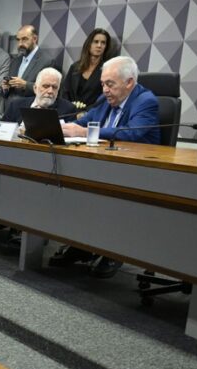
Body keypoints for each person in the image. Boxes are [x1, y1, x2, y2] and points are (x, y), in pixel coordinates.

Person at [56, 55, 158, 278]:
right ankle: (82, 244)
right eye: (103, 84)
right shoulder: (104, 100)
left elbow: (132, 133)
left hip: (137, 170)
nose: (105, 90)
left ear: (129, 82)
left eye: (110, 84)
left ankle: (114, 251)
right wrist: (62, 127)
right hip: (104, 165)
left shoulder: (146, 101)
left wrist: (86, 132)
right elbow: (82, 123)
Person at [61, 28, 117, 112]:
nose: (99, 45)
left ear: (106, 47)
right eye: (96, 42)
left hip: (93, 114)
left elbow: (105, 98)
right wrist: (70, 110)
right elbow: (65, 93)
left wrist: (86, 113)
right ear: (89, 44)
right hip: (70, 113)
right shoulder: (75, 67)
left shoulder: (107, 70)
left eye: (103, 43)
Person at [2, 25, 60, 101]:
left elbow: (49, 90)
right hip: (11, 106)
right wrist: (5, 88)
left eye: (24, 39)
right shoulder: (15, 61)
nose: (20, 44)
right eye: (18, 40)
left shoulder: (47, 61)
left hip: (30, 106)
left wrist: (25, 85)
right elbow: (6, 93)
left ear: (35, 39)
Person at [2, 67, 76, 124]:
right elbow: (2, 131)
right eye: (46, 86)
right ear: (35, 88)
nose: (50, 91)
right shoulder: (16, 105)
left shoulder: (67, 110)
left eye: (54, 87)